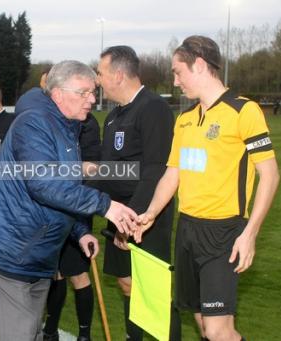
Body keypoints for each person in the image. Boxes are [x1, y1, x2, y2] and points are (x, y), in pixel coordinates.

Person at [0, 60, 138, 341]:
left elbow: (62, 191)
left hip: (38, 253)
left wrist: (80, 232)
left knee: (32, 333)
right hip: (10, 251)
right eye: (83, 92)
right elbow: (44, 185)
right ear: (58, 94)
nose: (93, 99)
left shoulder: (67, 127)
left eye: (93, 92)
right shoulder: (34, 124)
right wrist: (106, 205)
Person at [136, 35, 280, 341]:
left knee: (218, 331)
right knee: (204, 325)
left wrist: (249, 233)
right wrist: (150, 212)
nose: (175, 81)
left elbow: (270, 175)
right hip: (187, 230)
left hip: (224, 233)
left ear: (199, 65)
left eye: (178, 71)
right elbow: (172, 174)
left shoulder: (244, 111)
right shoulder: (185, 119)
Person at [96, 45, 181, 341]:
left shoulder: (153, 107)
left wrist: (131, 222)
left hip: (145, 218)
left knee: (153, 291)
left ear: (118, 75)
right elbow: (110, 171)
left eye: (101, 73)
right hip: (119, 215)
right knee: (127, 283)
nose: (98, 80)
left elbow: (155, 170)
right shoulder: (112, 117)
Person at [42, 74, 100, 341]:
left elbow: (92, 167)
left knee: (78, 274)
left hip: (77, 205)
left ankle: (84, 334)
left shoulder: (86, 125)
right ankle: (51, 330)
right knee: (55, 274)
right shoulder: (48, 124)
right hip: (53, 209)